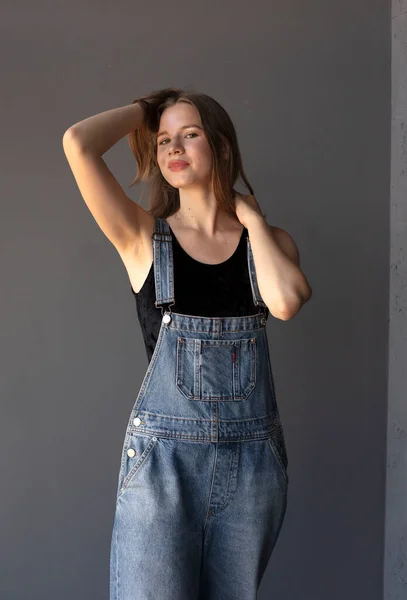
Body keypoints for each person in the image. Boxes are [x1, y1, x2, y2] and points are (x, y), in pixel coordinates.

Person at [62, 87, 312, 600]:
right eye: (163, 141)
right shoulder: (142, 238)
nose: (174, 148)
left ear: (220, 146)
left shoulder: (268, 243)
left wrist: (253, 220)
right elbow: (78, 144)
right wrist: (146, 110)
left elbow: (285, 301)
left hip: (251, 473)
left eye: (190, 135)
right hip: (164, 472)